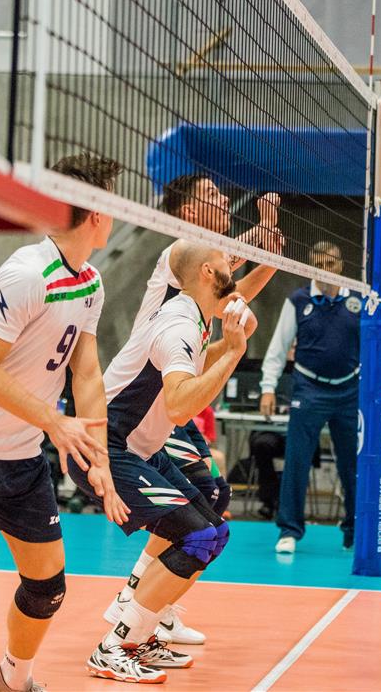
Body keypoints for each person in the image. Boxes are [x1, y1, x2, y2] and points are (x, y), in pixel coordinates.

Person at [0, 154, 128, 692]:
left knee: (47, 588)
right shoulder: (27, 274)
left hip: (20, 460)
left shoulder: (90, 282)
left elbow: (86, 370)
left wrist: (98, 456)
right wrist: (54, 421)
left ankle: (12, 678)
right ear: (96, 212)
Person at [102, 174, 282, 647]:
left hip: (159, 399)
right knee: (198, 524)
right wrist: (263, 234)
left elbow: (229, 296)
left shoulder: (203, 283)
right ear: (187, 212)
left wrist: (270, 255)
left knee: (212, 496)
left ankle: (144, 603)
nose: (223, 199)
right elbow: (223, 272)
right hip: (144, 399)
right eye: (210, 195)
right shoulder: (180, 254)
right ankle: (133, 612)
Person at [70, 243, 256, 683]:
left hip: (140, 448)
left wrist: (235, 341)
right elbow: (179, 407)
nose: (233, 262)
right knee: (196, 537)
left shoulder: (196, 317)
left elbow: (194, 371)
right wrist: (234, 353)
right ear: (208, 272)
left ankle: (141, 628)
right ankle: (114, 647)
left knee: (214, 531)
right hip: (106, 450)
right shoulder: (179, 325)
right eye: (225, 259)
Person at [260, 242, 364, 553]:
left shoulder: (358, 300)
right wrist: (268, 387)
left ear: (340, 265)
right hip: (309, 389)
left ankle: (354, 532)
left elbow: (374, 348)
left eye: (330, 264)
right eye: (318, 264)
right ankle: (289, 530)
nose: (325, 270)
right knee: (297, 460)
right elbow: (278, 348)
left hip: (349, 390)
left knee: (352, 464)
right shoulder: (298, 301)